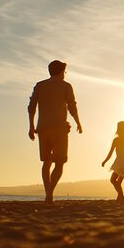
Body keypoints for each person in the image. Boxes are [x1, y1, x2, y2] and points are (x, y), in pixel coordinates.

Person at [28, 60, 82, 204]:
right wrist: (78, 122)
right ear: (60, 72)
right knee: (59, 162)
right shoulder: (65, 86)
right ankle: (49, 194)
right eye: (65, 72)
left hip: (43, 128)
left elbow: (31, 107)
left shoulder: (40, 86)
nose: (65, 74)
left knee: (46, 162)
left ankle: (48, 195)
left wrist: (31, 126)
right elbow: (72, 106)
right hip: (59, 128)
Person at [102, 121, 124, 202]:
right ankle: (120, 198)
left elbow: (110, 153)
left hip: (120, 162)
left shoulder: (116, 140)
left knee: (113, 180)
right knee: (118, 182)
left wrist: (104, 161)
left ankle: (122, 196)